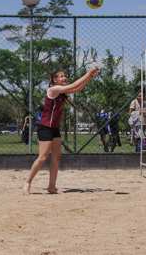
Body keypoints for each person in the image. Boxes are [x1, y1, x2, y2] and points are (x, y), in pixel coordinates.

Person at [24, 67, 98, 195]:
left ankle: (51, 186)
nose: (64, 78)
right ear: (54, 80)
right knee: (42, 157)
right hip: (45, 127)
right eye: (61, 76)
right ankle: (27, 182)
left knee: (56, 157)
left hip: (54, 129)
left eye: (65, 76)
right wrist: (88, 73)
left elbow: (77, 88)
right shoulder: (53, 89)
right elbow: (74, 84)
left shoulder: (62, 92)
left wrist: (90, 77)